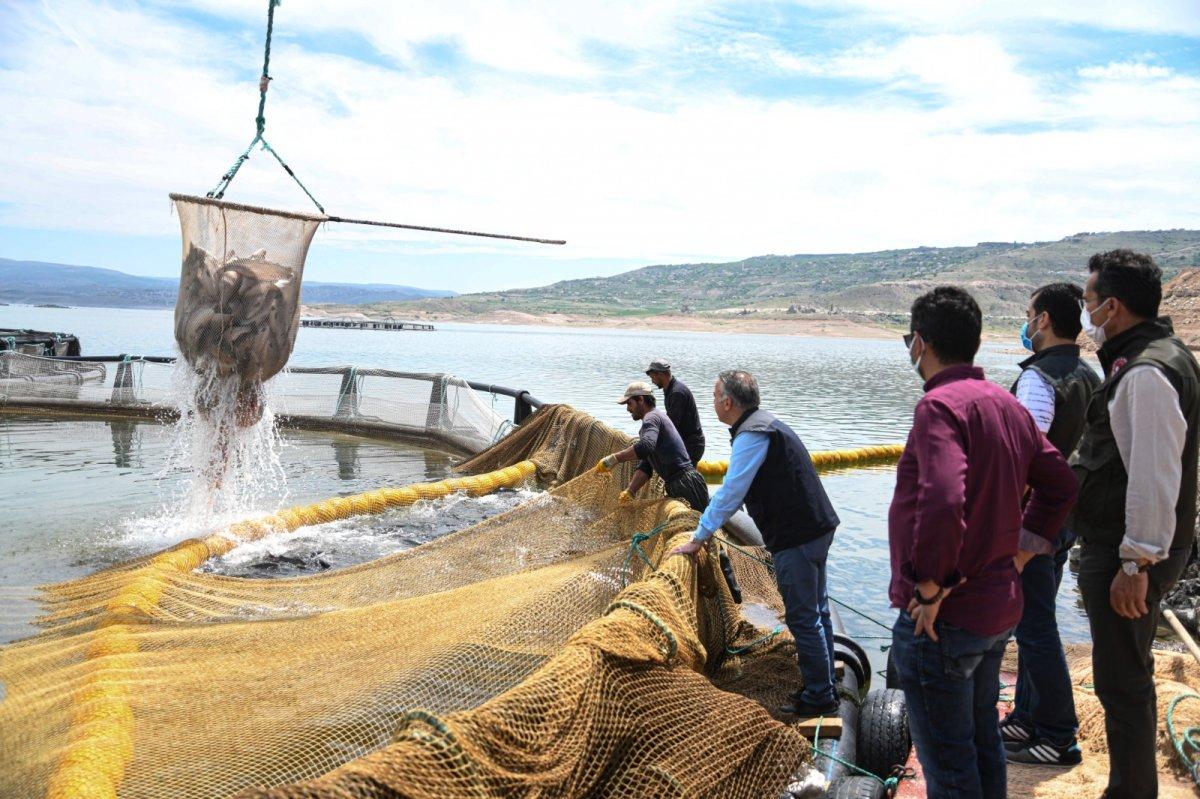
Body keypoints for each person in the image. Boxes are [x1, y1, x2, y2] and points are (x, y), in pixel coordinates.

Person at [889, 286, 1077, 799]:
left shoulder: (938, 406)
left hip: (943, 620)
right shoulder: (1006, 403)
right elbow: (1060, 482)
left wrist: (931, 586)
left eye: (910, 339)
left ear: (920, 343)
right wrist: (1019, 551)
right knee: (982, 746)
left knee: (949, 769)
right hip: (996, 611)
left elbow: (945, 500)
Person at [1070, 250, 1199, 799]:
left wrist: (1134, 562)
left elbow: (1152, 476)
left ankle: (1130, 792)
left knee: (1122, 684)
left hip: (1129, 554)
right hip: (1130, 549)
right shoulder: (1153, 358)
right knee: (1126, 675)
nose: (1086, 310)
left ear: (1113, 307)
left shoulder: (1147, 372)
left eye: (1089, 301)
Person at [669, 370, 841, 716]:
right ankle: (825, 681)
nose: (714, 402)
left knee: (803, 616)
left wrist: (699, 536)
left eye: (716, 396)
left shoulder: (752, 434)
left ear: (728, 402)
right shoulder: (765, 422)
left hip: (798, 535)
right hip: (816, 526)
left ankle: (820, 696)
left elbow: (731, 493)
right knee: (818, 610)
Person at [1002, 283, 1100, 767]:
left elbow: (1025, 455)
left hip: (1034, 521)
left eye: (1028, 315)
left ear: (1042, 321)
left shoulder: (1040, 379)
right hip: (1066, 519)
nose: (1026, 323)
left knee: (1035, 626)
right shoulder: (1088, 374)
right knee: (1036, 619)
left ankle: (1058, 734)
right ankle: (1026, 716)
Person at [595, 381, 710, 512]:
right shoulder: (653, 419)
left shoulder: (651, 418)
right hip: (677, 483)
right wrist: (630, 491)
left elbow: (645, 447)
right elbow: (647, 465)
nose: (627, 409)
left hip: (686, 483)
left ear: (640, 399)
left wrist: (614, 458)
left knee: (698, 527)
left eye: (629, 403)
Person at [645, 359, 706, 465]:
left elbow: (671, 424)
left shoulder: (677, 392)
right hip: (685, 442)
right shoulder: (669, 389)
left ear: (660, 374)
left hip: (691, 444)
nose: (652, 381)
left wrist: (652, 437)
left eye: (652, 377)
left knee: (684, 478)